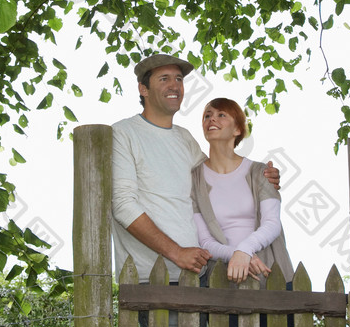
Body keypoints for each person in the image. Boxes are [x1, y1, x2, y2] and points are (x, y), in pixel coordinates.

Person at [111, 55, 280, 285]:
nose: (174, 86)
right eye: (164, 79)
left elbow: (219, 175)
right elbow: (122, 205)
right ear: (144, 89)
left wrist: (262, 175)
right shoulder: (123, 133)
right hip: (153, 278)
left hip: (196, 276)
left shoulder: (185, 139)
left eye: (179, 79)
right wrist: (177, 252)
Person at [190, 96, 294, 327]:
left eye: (221, 115)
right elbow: (204, 240)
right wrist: (234, 256)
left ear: (238, 128)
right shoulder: (193, 178)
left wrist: (244, 250)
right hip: (225, 284)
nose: (211, 119)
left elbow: (272, 223)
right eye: (207, 114)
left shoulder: (260, 171)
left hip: (273, 278)